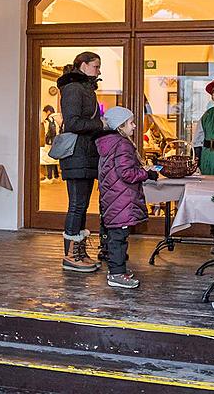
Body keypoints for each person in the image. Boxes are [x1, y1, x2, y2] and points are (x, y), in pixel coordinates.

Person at [95, 107, 160, 289]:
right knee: (118, 238)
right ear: (120, 125)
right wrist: (146, 174)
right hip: (121, 198)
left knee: (117, 236)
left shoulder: (109, 142)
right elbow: (126, 173)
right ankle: (116, 274)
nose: (134, 126)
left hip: (115, 197)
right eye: (131, 122)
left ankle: (118, 270)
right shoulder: (122, 144)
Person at [57, 51, 105, 272]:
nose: (98, 71)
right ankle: (71, 257)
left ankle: (79, 252)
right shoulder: (74, 89)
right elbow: (73, 123)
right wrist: (100, 124)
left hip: (84, 154)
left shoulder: (83, 88)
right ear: (83, 65)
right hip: (77, 154)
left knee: (81, 206)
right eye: (96, 66)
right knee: (77, 205)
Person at [41, 105, 60, 182]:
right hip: (57, 141)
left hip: (50, 142)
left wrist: (48, 140)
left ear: (48, 111)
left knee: (48, 158)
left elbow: (51, 130)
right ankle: (56, 176)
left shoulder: (50, 119)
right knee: (54, 158)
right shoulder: (57, 117)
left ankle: (49, 177)